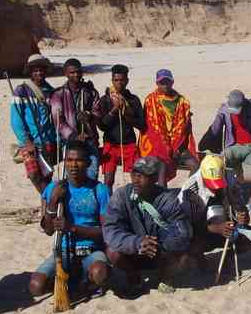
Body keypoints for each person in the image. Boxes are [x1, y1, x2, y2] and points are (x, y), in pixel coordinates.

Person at [103, 156, 196, 296]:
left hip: (159, 251)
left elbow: (182, 233)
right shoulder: (121, 196)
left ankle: (164, 276)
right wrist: (137, 242)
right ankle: (134, 277)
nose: (136, 180)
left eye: (141, 176)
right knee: (112, 252)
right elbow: (110, 231)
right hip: (133, 251)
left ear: (154, 178)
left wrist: (156, 243)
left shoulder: (167, 199)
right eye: (134, 174)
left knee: (183, 255)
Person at [29, 141, 110, 297]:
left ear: (87, 163)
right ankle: (71, 280)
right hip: (63, 250)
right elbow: (48, 230)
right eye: (69, 160)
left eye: (78, 160)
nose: (73, 165)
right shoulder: (54, 188)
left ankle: (83, 283)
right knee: (36, 286)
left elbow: (106, 232)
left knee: (100, 273)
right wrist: (53, 201)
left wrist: (72, 228)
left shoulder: (99, 190)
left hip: (91, 251)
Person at [179, 153, 251, 270]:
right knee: (189, 245)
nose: (215, 188)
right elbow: (190, 226)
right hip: (200, 232)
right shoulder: (190, 190)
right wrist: (217, 228)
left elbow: (240, 209)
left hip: (227, 228)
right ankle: (199, 259)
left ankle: (228, 257)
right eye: (211, 183)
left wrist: (242, 217)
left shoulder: (230, 179)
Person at [209, 90, 251, 211]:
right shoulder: (224, 109)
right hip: (234, 146)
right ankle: (221, 197)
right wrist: (209, 142)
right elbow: (215, 128)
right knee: (218, 162)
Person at [139, 69, 199, 184]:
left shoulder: (182, 101)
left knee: (195, 165)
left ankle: (186, 193)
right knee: (162, 167)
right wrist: (167, 148)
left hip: (178, 144)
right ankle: (163, 198)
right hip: (156, 144)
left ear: (172, 82)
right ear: (157, 83)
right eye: (162, 82)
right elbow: (153, 130)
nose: (165, 85)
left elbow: (185, 129)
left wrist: (177, 148)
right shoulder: (151, 100)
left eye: (167, 82)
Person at [90, 64, 144, 190]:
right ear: (112, 81)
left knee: (136, 178)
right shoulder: (105, 100)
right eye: (116, 80)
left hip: (129, 144)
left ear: (127, 81)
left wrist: (126, 114)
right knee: (108, 180)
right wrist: (115, 110)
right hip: (111, 144)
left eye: (122, 80)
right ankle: (109, 207)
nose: (119, 83)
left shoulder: (133, 100)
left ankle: (134, 204)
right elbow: (102, 126)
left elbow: (142, 124)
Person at [10, 53, 56, 193]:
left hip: (48, 140)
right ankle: (50, 201)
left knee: (47, 176)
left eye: (41, 69)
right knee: (34, 175)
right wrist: (26, 141)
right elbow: (16, 119)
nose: (39, 73)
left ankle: (47, 211)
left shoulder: (51, 91)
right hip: (30, 142)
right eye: (35, 70)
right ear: (30, 72)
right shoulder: (21, 91)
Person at [50, 58, 101, 182]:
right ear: (66, 74)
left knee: (91, 176)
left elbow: (98, 112)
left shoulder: (91, 92)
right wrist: (74, 136)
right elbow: (58, 121)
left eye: (78, 72)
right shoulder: (58, 94)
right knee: (73, 179)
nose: (76, 75)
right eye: (72, 72)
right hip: (70, 143)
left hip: (89, 140)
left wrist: (89, 116)